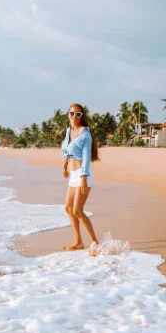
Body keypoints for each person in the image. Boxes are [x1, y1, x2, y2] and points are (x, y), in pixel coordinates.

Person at [60, 103, 100, 250]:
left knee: (77, 210)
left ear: (82, 116)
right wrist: (65, 166)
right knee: (68, 208)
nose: (75, 117)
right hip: (73, 175)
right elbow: (67, 151)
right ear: (68, 114)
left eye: (78, 114)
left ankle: (95, 243)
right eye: (72, 113)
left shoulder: (85, 134)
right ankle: (78, 242)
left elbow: (86, 155)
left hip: (84, 174)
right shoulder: (68, 131)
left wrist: (83, 177)